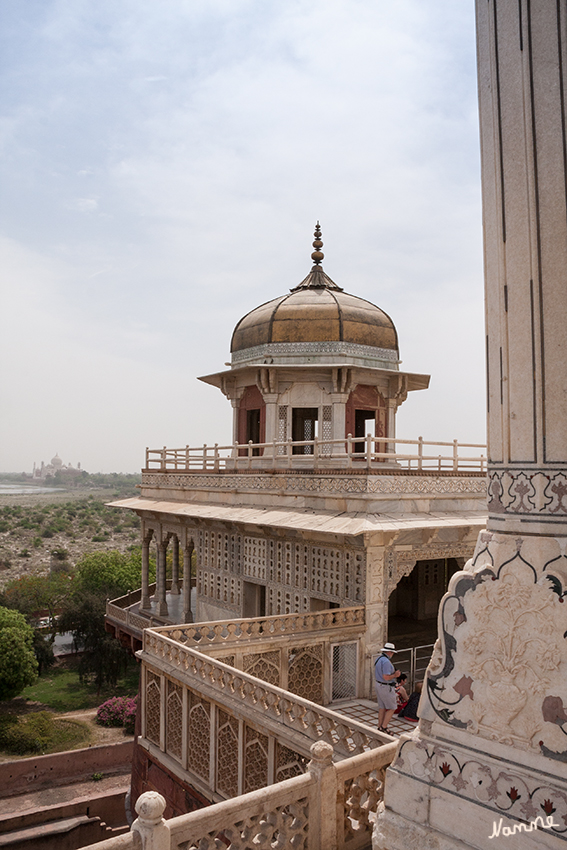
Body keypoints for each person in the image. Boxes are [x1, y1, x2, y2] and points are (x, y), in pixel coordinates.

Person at [374, 642, 401, 733]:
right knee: (392, 707)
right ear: (390, 652)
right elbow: (386, 677)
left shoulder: (379, 659)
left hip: (378, 685)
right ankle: (384, 727)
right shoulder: (386, 662)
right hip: (385, 687)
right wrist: (395, 675)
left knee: (382, 707)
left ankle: (380, 726)